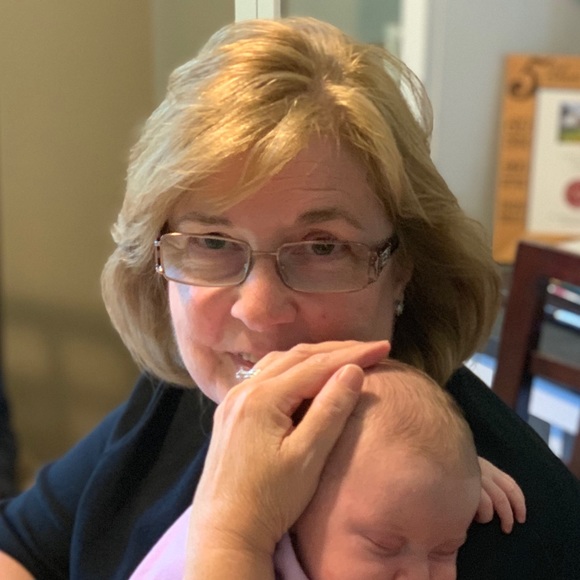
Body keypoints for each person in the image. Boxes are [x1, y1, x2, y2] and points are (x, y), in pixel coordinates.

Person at [0, 16, 578, 580]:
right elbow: (21, 545)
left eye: (323, 247)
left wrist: (230, 534)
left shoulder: (455, 526)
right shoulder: (194, 389)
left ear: (403, 268)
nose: (256, 311)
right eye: (211, 241)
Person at [129, 361, 521, 579]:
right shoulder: (212, 551)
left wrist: (446, 479)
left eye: (444, 551)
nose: (418, 577)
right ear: (294, 505)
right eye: (384, 545)